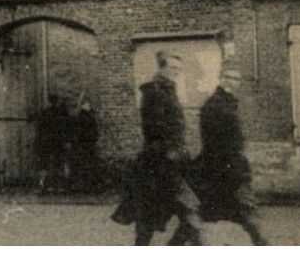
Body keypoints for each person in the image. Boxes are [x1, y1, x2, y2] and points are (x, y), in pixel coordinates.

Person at [111, 50, 202, 245]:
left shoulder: (168, 89)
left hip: (172, 162)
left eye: (179, 69)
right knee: (159, 215)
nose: (177, 72)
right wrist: (170, 151)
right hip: (160, 163)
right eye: (172, 68)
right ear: (162, 68)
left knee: (174, 213)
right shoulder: (155, 91)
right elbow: (153, 127)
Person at [194, 66, 268, 245]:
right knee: (245, 212)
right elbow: (217, 142)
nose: (235, 83)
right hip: (223, 170)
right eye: (231, 78)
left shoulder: (226, 103)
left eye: (237, 79)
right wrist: (235, 166)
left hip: (224, 169)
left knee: (206, 214)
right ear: (221, 79)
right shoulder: (216, 105)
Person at [69, 94, 100, 193]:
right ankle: (88, 186)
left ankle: (81, 185)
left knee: (81, 165)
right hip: (88, 144)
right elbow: (94, 132)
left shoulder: (78, 117)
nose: (89, 106)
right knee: (88, 165)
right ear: (86, 105)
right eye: (88, 104)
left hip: (81, 145)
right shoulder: (89, 117)